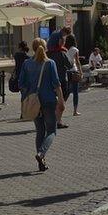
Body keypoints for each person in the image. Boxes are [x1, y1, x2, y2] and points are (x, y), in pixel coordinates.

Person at [18, 38, 65, 172]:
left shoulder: (27, 64)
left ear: (33, 48)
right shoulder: (50, 63)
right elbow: (56, 84)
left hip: (34, 102)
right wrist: (61, 100)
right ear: (46, 48)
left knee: (40, 131)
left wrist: (28, 95)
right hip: (49, 100)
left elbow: (21, 84)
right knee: (51, 130)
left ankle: (41, 162)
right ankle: (41, 154)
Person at [64, 35, 81, 116]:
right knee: (75, 92)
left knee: (66, 91)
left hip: (66, 71)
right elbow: (77, 62)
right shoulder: (75, 49)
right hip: (74, 71)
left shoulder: (64, 49)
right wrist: (80, 72)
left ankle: (61, 106)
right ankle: (75, 111)